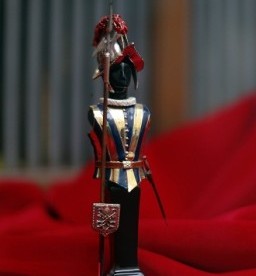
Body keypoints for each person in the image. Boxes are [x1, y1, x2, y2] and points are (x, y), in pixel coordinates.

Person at [88, 14, 148, 276]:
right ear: (106, 75)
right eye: (117, 69)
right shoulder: (96, 112)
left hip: (135, 177)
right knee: (112, 228)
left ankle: (128, 267)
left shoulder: (143, 112)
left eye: (127, 69)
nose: (123, 75)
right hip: (111, 177)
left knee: (130, 228)